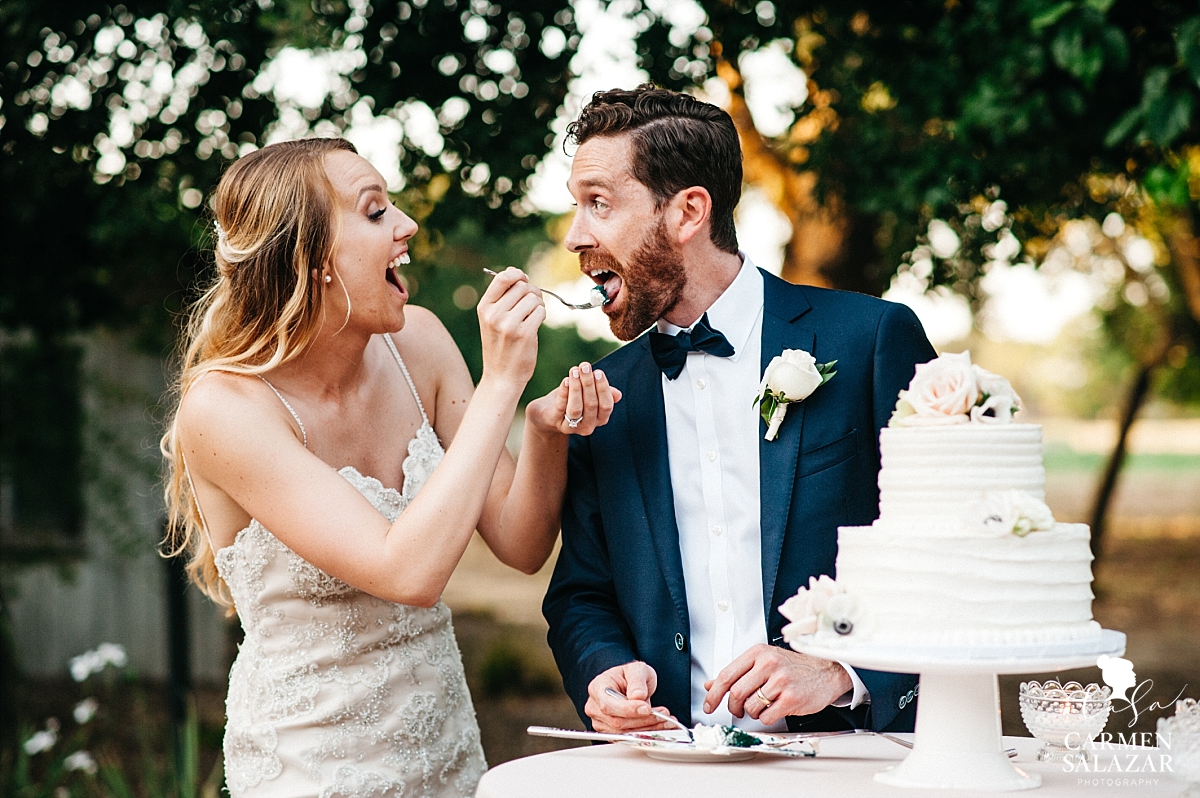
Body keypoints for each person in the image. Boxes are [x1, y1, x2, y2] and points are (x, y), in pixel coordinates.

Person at [161, 137, 620, 797]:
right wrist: (500, 386)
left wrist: (544, 433)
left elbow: (522, 543)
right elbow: (407, 573)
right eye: (376, 213)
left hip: (445, 753)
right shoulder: (226, 409)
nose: (406, 225)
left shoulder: (421, 343)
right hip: (310, 768)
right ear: (310, 258)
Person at [542, 85, 937, 737]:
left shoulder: (870, 342)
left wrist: (843, 671)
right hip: (670, 766)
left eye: (599, 204)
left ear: (688, 212)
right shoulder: (603, 395)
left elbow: (951, 559)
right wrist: (604, 670)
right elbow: (581, 595)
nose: (575, 235)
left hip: (856, 763)